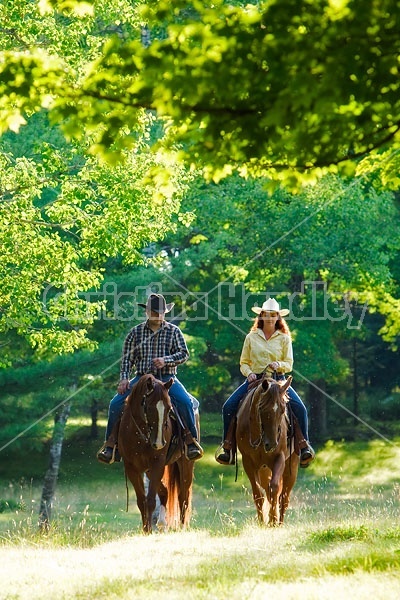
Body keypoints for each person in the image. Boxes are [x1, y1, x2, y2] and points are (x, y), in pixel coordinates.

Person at [97, 293, 204, 463]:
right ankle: (111, 445)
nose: (158, 314)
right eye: (154, 311)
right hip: (141, 379)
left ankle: (191, 442)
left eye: (161, 311)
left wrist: (166, 360)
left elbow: (184, 354)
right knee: (115, 403)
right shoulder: (135, 333)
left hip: (168, 379)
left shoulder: (173, 331)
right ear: (147, 312)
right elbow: (127, 359)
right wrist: (124, 379)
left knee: (185, 402)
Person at [215, 297, 315, 467]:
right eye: (266, 314)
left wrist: (279, 365)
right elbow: (244, 362)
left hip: (278, 381)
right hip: (256, 381)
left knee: (300, 408)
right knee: (228, 406)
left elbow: (289, 364)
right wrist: (249, 373)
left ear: (278, 317)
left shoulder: (284, 338)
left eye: (273, 315)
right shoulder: (251, 337)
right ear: (261, 316)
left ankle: (303, 445)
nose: (269, 318)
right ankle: (228, 447)